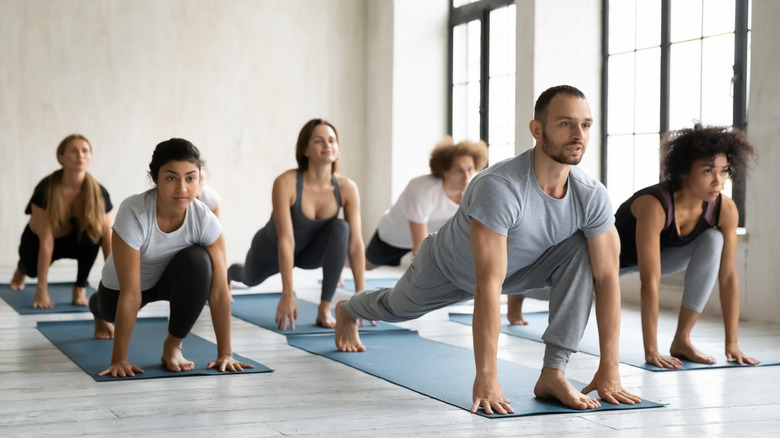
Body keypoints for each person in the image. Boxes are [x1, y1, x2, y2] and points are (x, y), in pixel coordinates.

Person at [334, 85, 642, 415]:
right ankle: (348, 309)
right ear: (536, 129)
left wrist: (610, 367)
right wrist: (487, 377)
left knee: (583, 249)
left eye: (586, 124)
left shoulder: (591, 194)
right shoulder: (500, 187)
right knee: (395, 307)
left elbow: (607, 279)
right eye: (565, 123)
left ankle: (553, 372)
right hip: (447, 268)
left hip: (524, 271)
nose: (578, 134)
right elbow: (488, 283)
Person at [89, 138, 251, 376]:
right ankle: (95, 308)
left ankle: (173, 346)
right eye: (171, 177)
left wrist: (226, 354)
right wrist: (119, 360)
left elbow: (218, 293)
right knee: (106, 311)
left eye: (190, 178)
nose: (182, 188)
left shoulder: (205, 219)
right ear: (154, 178)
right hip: (124, 289)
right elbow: (131, 293)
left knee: (199, 261)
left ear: (199, 178)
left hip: (169, 280)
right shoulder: (134, 212)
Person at [613, 124, 759, 368]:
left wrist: (732, 343)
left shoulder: (724, 209)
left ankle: (682, 340)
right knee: (547, 281)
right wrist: (651, 352)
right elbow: (649, 282)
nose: (718, 182)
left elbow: (728, 277)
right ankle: (522, 293)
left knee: (714, 239)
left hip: (664, 257)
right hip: (608, 261)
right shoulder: (654, 205)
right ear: (683, 172)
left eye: (723, 172)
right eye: (707, 171)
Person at [228, 119, 366, 330]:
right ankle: (229, 273)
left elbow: (355, 243)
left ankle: (324, 309)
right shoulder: (286, 183)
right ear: (305, 149)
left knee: (341, 229)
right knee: (249, 278)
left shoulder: (347, 188)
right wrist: (287, 293)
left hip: (310, 253)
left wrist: (361, 298)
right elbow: (286, 238)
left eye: (331, 140)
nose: (327, 145)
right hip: (272, 250)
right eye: (319, 141)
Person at [9, 134, 113, 308]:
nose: (80, 155)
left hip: (76, 242)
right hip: (40, 241)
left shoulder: (99, 193)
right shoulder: (46, 189)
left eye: (84, 151)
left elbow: (107, 239)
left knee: (94, 234)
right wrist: (42, 290)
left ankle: (80, 287)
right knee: (31, 270)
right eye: (74, 151)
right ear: (61, 157)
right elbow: (46, 241)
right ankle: (21, 269)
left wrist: (113, 286)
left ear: (90, 157)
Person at [365, 137, 488, 269]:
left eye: (470, 169)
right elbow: (419, 248)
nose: (466, 176)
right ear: (444, 171)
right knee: (365, 266)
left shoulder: (470, 193)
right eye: (458, 170)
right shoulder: (423, 189)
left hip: (428, 237)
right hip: (392, 237)